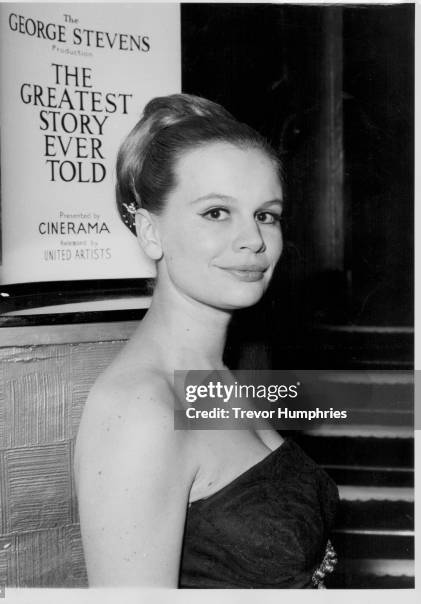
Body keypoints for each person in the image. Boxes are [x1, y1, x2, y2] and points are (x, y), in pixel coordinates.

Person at [74, 93, 339, 588]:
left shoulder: (217, 377)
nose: (254, 240)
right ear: (150, 232)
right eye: (217, 212)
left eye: (267, 214)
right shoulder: (140, 409)